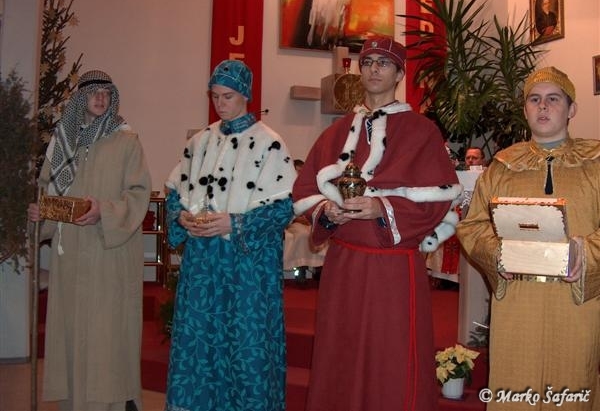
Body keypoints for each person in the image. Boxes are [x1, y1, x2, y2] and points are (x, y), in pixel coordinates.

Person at [293, 36, 462, 411]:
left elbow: (439, 198)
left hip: (393, 269)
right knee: (342, 348)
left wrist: (381, 207)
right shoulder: (336, 132)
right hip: (344, 264)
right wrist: (327, 210)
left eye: (383, 63)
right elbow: (304, 189)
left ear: (399, 74)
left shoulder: (422, 131)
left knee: (392, 353)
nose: (373, 69)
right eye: (367, 62)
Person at [456, 66, 600, 410]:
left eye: (553, 99)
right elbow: (473, 225)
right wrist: (496, 253)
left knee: (572, 385)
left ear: (572, 109)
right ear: (525, 110)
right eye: (534, 99)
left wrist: (586, 253)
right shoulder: (503, 166)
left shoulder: (596, 163)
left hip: (575, 303)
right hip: (518, 301)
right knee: (514, 386)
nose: (543, 106)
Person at [164, 59, 296, 411]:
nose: (220, 103)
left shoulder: (269, 144)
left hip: (246, 267)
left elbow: (284, 208)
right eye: (215, 96)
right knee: (200, 340)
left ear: (245, 96)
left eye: (228, 96)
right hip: (203, 264)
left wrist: (235, 224)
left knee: (246, 344)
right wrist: (182, 217)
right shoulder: (200, 141)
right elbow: (175, 193)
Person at [27, 70, 152, 411]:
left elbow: (138, 194)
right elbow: (48, 192)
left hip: (109, 255)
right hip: (70, 257)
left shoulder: (127, 141)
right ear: (80, 99)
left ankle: (114, 405)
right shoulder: (63, 142)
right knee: (72, 331)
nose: (100, 98)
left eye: (106, 93)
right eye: (93, 92)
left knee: (106, 335)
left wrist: (104, 212)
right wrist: (41, 214)